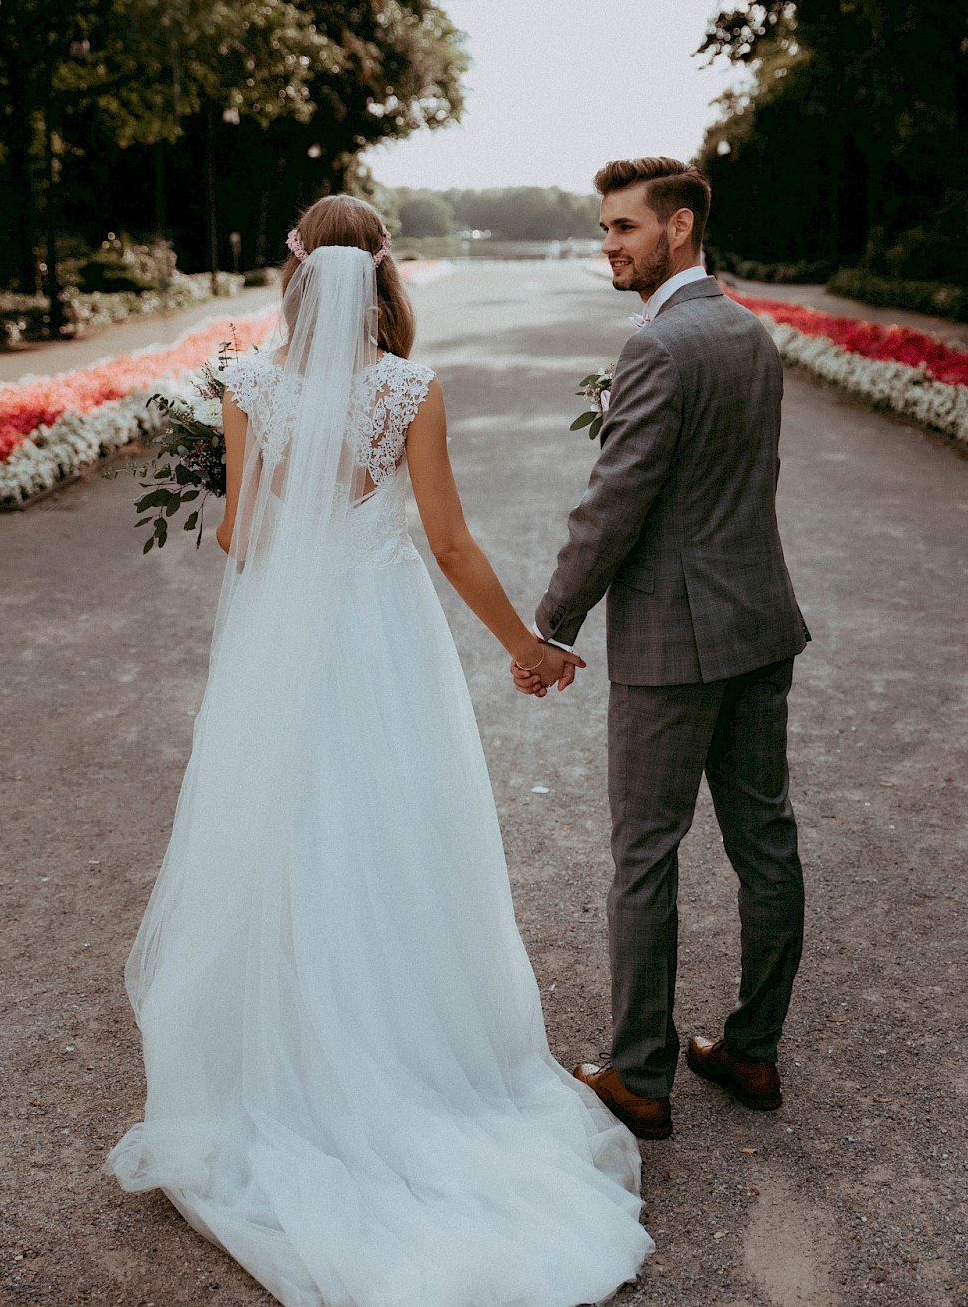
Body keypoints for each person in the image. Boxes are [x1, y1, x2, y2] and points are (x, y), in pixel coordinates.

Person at [106, 194, 652, 1307]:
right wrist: (526, 646)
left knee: (282, 824)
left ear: (296, 271)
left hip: (287, 637)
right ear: (384, 274)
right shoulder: (408, 387)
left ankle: (290, 1054)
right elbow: (447, 541)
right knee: (396, 827)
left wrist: (265, 499)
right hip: (382, 631)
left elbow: (240, 537)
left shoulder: (251, 382)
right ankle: (414, 1049)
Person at [513, 157, 809, 1141]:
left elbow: (612, 509)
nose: (609, 245)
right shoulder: (750, 335)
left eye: (623, 228)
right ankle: (753, 1049)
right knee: (764, 841)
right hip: (758, 625)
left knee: (645, 855)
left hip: (673, 648)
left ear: (677, 228)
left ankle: (641, 1074)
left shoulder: (659, 348)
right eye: (603, 229)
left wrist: (550, 626)